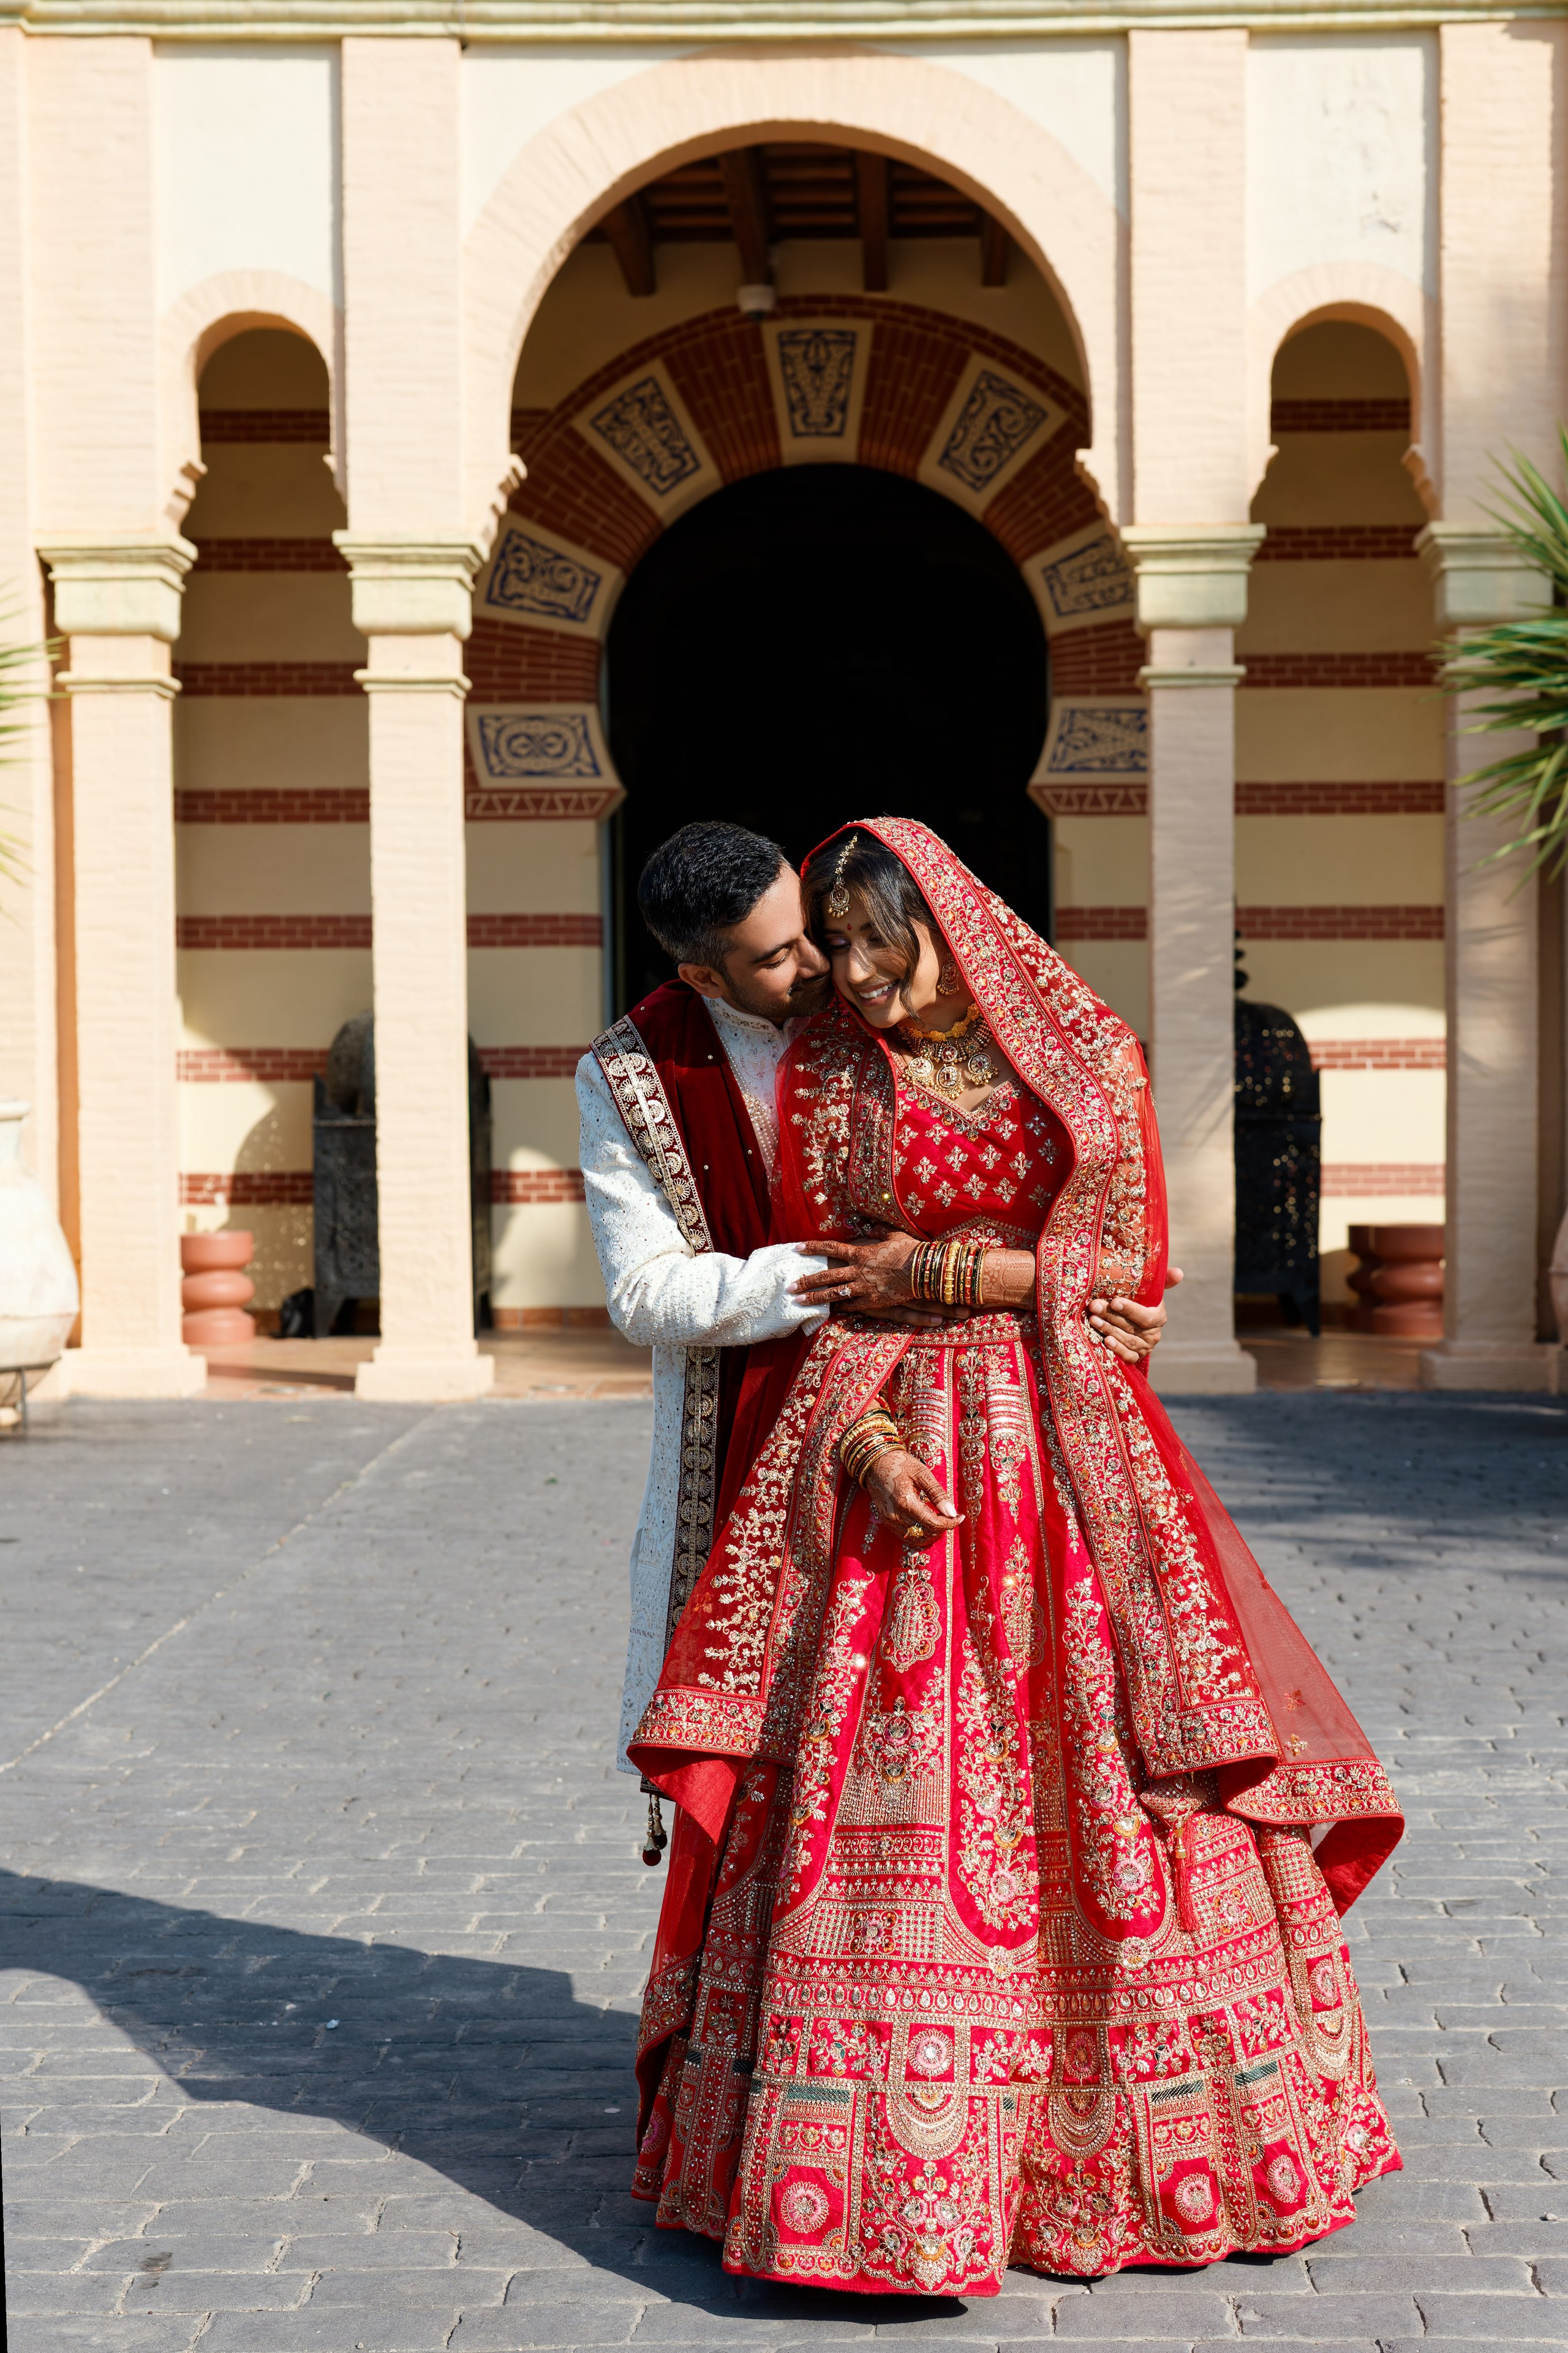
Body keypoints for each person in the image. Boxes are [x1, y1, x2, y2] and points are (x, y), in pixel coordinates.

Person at [628, 818, 1403, 2292]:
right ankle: (876, 2175)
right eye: (831, 946)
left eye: (877, 943)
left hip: (1067, 1460)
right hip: (891, 1451)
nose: (850, 977)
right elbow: (829, 1281)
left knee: (1118, 1765)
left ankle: (1129, 2143)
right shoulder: (836, 1073)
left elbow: (1128, 1282)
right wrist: (859, 1444)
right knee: (891, 1781)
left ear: (954, 926)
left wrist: (970, 1269)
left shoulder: (1079, 1051)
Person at [581, 821, 1172, 1811]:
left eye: (817, 929)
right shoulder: (636, 1076)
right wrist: (848, 1275)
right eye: (785, 954)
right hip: (767, 1412)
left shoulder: (960, 1038)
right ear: (703, 980)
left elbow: (1099, 1241)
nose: (830, 966)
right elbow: (644, 1293)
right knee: (784, 1744)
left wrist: (1063, 1278)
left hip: (1011, 1417)